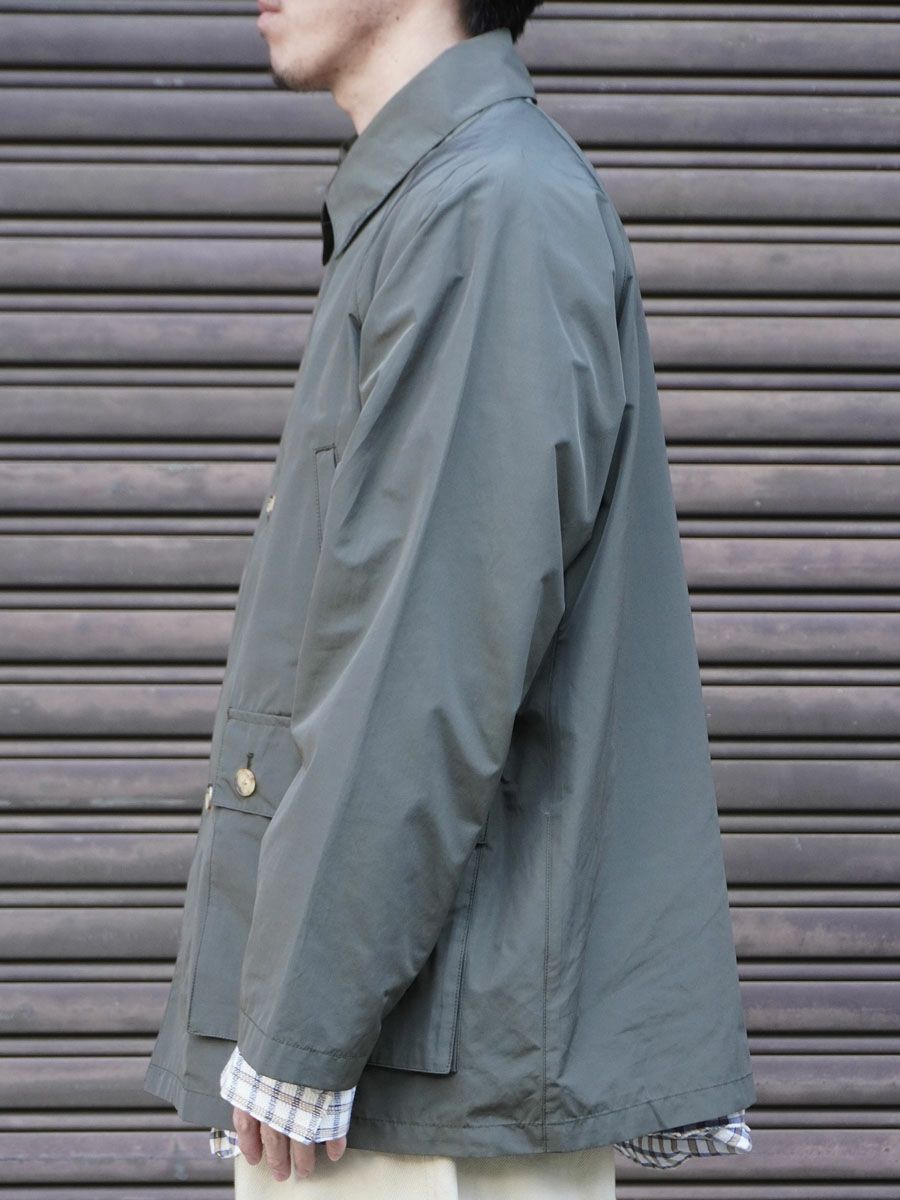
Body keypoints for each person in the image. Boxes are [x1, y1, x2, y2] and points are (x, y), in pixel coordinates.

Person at [143, 0, 757, 1194]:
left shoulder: (488, 207)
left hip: (420, 1086)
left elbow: (424, 661)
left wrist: (301, 1026)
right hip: (409, 1055)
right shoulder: (447, 197)